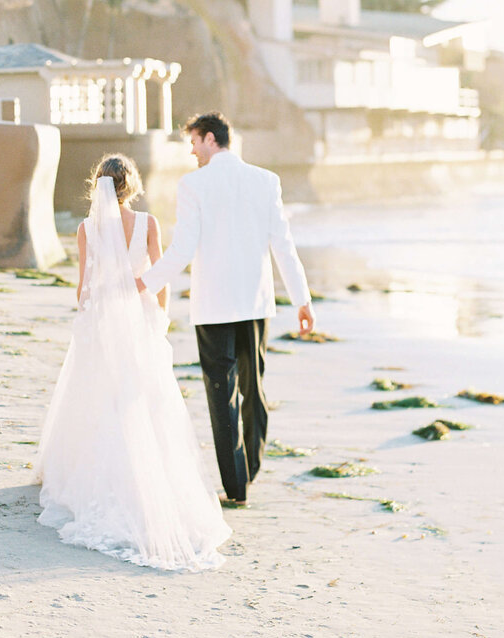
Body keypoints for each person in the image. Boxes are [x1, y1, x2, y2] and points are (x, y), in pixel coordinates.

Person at [36, 153, 230, 571]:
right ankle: (153, 482)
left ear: (99, 185)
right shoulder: (148, 225)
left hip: (103, 323)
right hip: (140, 320)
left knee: (98, 402)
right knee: (146, 403)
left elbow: (84, 287)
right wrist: (159, 316)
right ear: (131, 186)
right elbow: (159, 276)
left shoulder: (88, 229)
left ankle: (98, 483)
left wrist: (92, 309)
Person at [138, 113, 314, 508]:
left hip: (214, 306)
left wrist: (144, 283)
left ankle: (236, 487)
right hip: (255, 304)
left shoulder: (193, 185)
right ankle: (248, 469)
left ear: (210, 138)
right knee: (254, 390)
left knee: (222, 397)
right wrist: (302, 300)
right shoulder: (266, 181)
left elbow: (182, 249)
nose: (191, 151)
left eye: (194, 142)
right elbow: (283, 245)